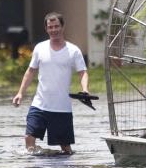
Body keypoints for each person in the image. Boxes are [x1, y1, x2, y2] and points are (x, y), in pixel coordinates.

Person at [13, 12, 89, 154]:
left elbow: (82, 72)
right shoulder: (40, 48)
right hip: (40, 104)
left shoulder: (73, 51)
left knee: (65, 149)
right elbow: (30, 71)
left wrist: (85, 89)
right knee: (29, 137)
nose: (54, 30)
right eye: (50, 27)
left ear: (63, 27)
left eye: (56, 26)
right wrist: (20, 93)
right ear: (46, 29)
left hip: (62, 108)